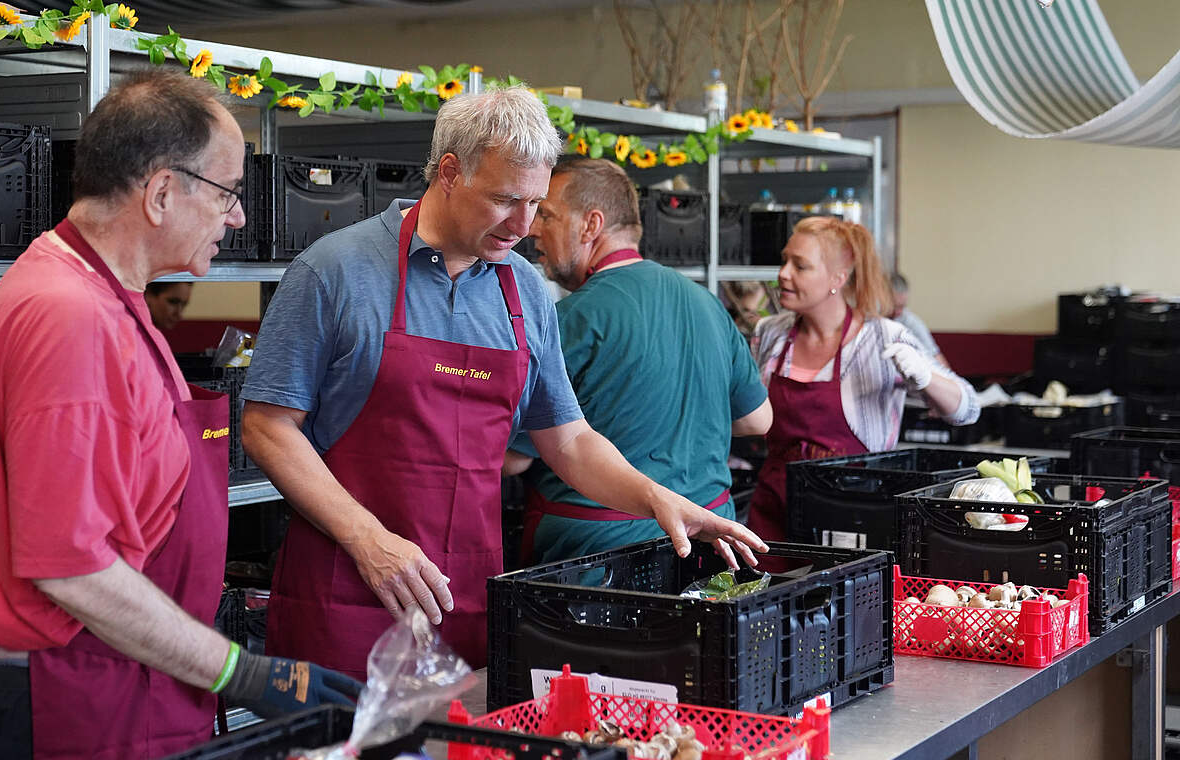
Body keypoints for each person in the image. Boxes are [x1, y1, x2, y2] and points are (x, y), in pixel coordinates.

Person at [241, 86, 768, 681]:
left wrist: (657, 498)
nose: (523, 226)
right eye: (505, 200)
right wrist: (367, 538)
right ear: (448, 173)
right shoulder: (335, 271)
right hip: (348, 593)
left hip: (464, 597)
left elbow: (567, 440)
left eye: (537, 204)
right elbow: (266, 426)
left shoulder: (524, 291)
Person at [0, 70, 360, 760]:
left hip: (120, 675)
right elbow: (69, 568)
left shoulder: (101, 295)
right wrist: (242, 671)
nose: (239, 218)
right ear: (162, 193)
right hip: (65, 694)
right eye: (227, 193)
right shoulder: (69, 316)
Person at [504, 157, 772, 564]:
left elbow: (513, 458)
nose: (532, 229)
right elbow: (757, 420)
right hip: (710, 541)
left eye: (547, 215)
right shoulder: (706, 302)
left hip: (598, 558)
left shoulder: (573, 318)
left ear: (591, 225)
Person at [747, 217, 980, 542]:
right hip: (773, 508)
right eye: (785, 260)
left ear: (838, 278)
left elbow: (967, 409)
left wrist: (926, 379)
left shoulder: (885, 338)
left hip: (850, 516)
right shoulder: (770, 333)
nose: (783, 273)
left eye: (800, 266)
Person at [889, 272, 949, 367]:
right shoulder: (872, 320)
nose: (899, 312)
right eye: (894, 306)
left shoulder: (911, 322)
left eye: (902, 306)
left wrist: (950, 380)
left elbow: (935, 356)